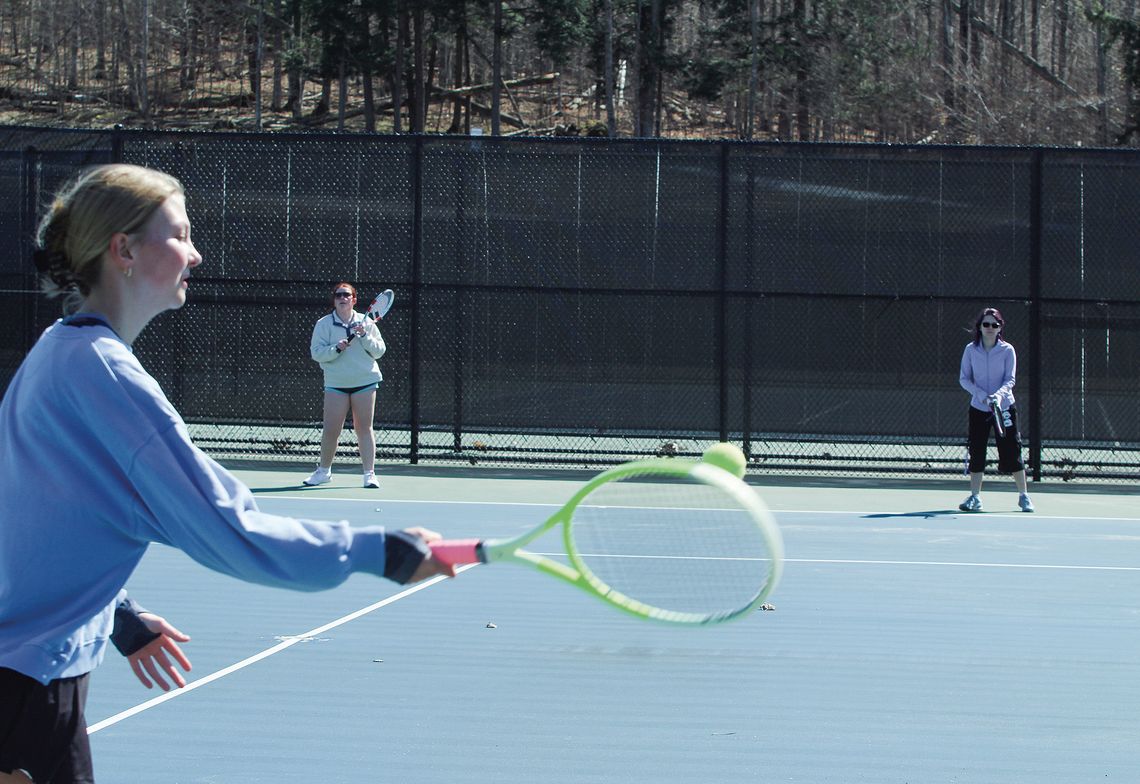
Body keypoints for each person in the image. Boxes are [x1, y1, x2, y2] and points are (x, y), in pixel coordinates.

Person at [0, 164, 453, 784]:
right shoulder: (107, 376)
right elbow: (228, 530)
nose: (196, 252)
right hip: (26, 686)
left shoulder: (56, 353)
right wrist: (383, 552)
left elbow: (47, 516)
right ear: (124, 250)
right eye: (180, 234)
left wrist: (121, 616)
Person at [304, 282, 386, 488]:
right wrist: (336, 349)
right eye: (338, 295)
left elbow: (379, 351)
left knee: (364, 428)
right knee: (331, 430)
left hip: (364, 382)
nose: (342, 298)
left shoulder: (366, 323)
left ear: (354, 300)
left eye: (346, 295)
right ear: (334, 300)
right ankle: (323, 472)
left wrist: (364, 336)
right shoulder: (323, 324)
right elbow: (317, 353)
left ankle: (369, 474)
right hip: (336, 383)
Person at [957, 307, 1035, 513]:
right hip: (979, 409)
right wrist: (982, 396)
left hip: (1005, 408)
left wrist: (998, 397)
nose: (990, 328)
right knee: (977, 450)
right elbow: (964, 379)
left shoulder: (1008, 350)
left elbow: (1010, 379)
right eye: (986, 324)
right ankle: (975, 497)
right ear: (980, 327)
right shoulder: (970, 350)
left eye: (994, 325)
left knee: (1012, 449)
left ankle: (1024, 496)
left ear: (1000, 328)